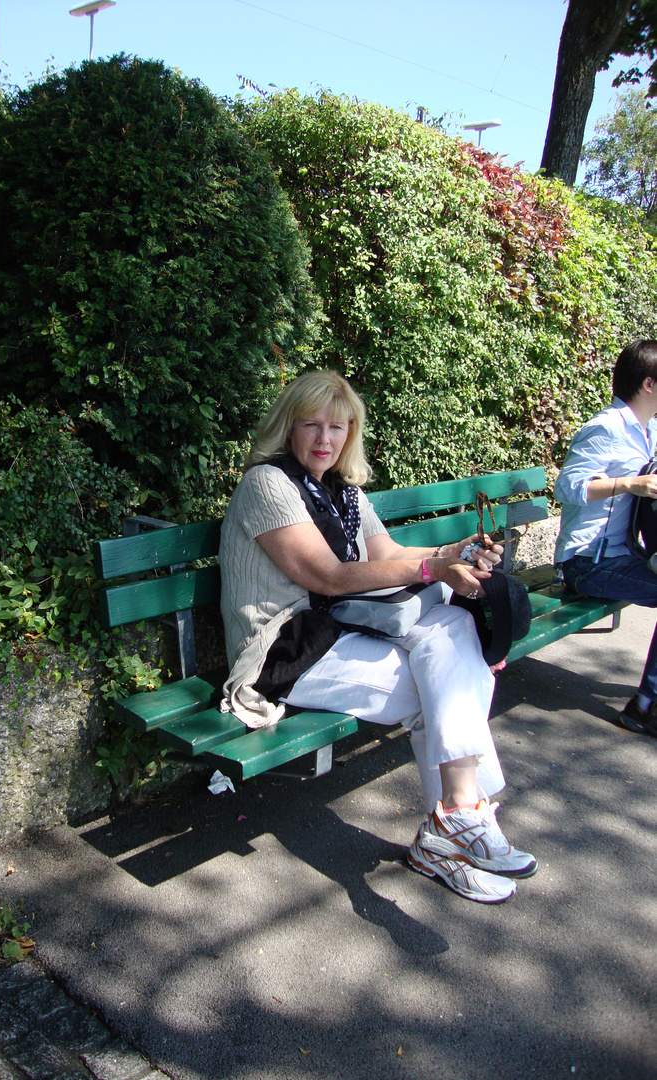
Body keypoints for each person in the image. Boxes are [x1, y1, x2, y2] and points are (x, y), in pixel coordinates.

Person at [218, 369, 538, 904]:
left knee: (454, 634)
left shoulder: (342, 491)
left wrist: (456, 553)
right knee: (442, 689)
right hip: (283, 648)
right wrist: (434, 570)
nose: (325, 439)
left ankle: (456, 818)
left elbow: (387, 555)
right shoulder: (267, 484)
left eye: (338, 428)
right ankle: (450, 834)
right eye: (312, 425)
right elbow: (326, 576)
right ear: (288, 426)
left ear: (351, 433)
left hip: (341, 628)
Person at [554, 339, 657, 737]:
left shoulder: (648, 431)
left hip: (623, 555)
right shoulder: (605, 428)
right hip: (586, 562)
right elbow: (567, 486)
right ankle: (645, 706)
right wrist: (629, 483)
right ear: (649, 383)